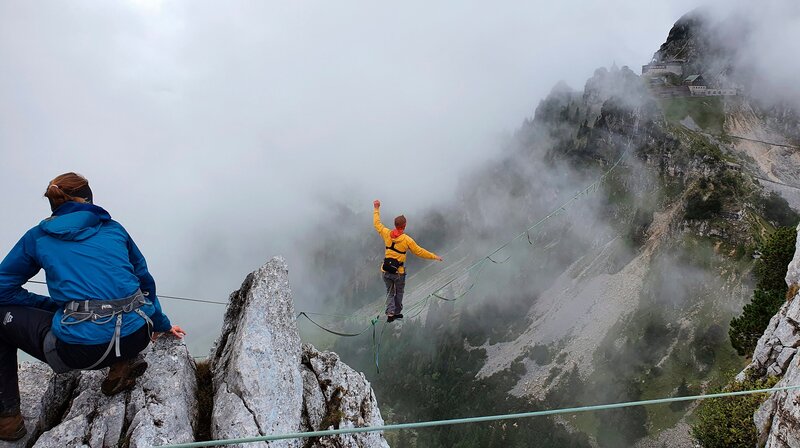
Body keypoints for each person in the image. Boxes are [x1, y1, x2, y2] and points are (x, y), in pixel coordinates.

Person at [0, 173, 185, 441]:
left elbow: (3, 289)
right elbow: (144, 283)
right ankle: (120, 366)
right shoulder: (114, 229)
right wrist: (162, 325)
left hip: (80, 352)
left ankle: (7, 420)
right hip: (137, 336)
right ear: (89, 200)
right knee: (117, 308)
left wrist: (52, 306)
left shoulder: (38, 237)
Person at [373, 200, 442, 322]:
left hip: (385, 270)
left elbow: (377, 223)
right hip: (398, 272)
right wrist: (434, 256)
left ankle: (390, 313)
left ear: (395, 225)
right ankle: (397, 312)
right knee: (399, 292)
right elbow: (419, 251)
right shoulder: (407, 240)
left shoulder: (386, 233)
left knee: (389, 292)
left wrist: (376, 208)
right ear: (404, 226)